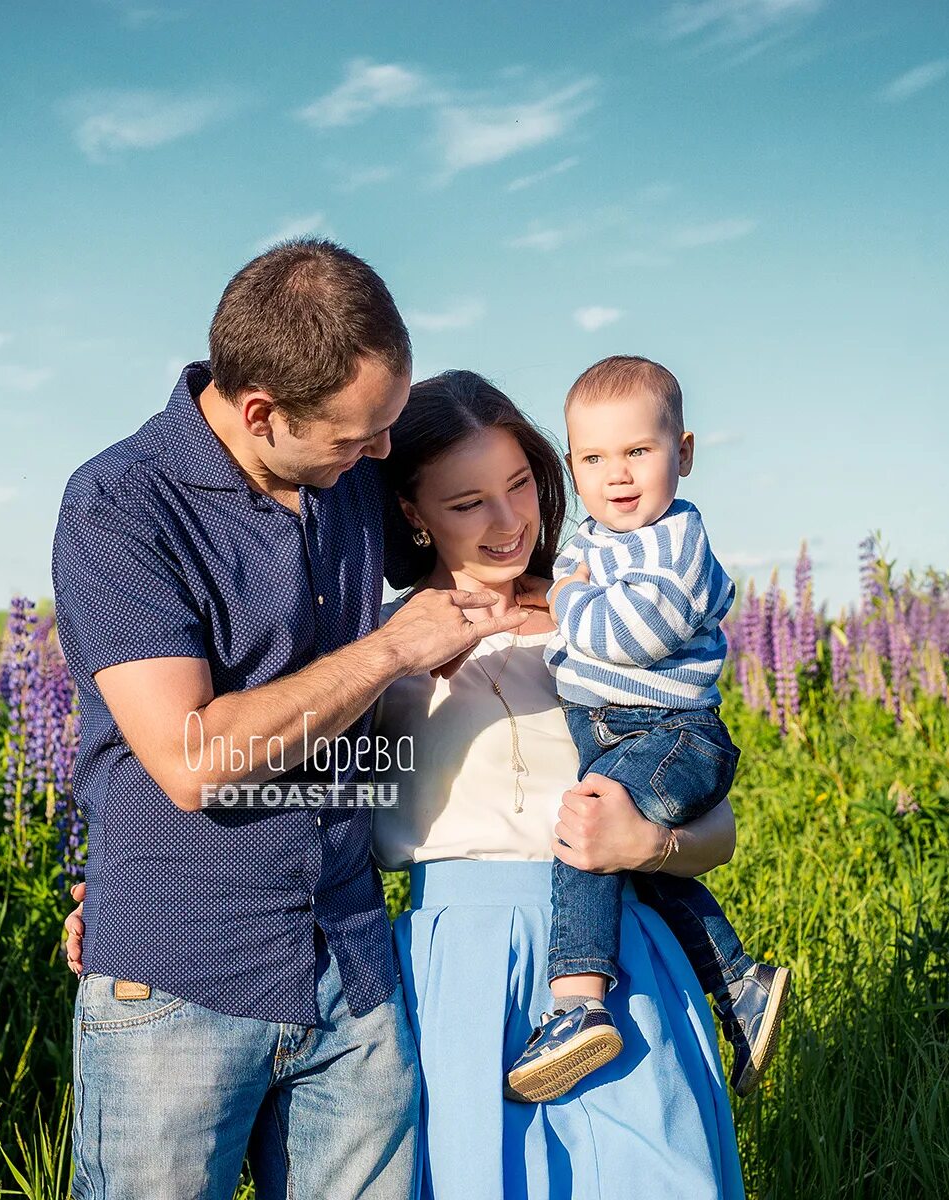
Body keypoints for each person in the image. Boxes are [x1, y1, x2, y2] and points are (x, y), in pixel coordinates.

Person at [50, 238, 528, 1200]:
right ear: (261, 411)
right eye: (357, 436)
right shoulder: (118, 505)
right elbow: (193, 759)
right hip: (180, 975)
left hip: (352, 966)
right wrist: (391, 647)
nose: (381, 455)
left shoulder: (345, 467)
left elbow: (483, 528)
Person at [370, 369, 746, 1197]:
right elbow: (299, 824)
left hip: (615, 964)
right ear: (413, 514)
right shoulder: (379, 653)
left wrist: (650, 843)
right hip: (455, 974)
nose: (509, 523)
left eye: (519, 486)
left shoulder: (607, 625)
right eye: (467, 503)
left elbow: (718, 828)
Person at [505, 356, 791, 1103]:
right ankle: (738, 980)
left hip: (673, 732)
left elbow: (629, 632)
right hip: (621, 731)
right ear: (572, 468)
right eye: (595, 458)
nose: (618, 475)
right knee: (639, 868)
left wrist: (567, 604)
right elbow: (570, 603)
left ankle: (577, 1004)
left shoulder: (674, 543)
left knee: (586, 825)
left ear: (684, 454)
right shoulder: (595, 544)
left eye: (638, 451)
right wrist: (563, 594)